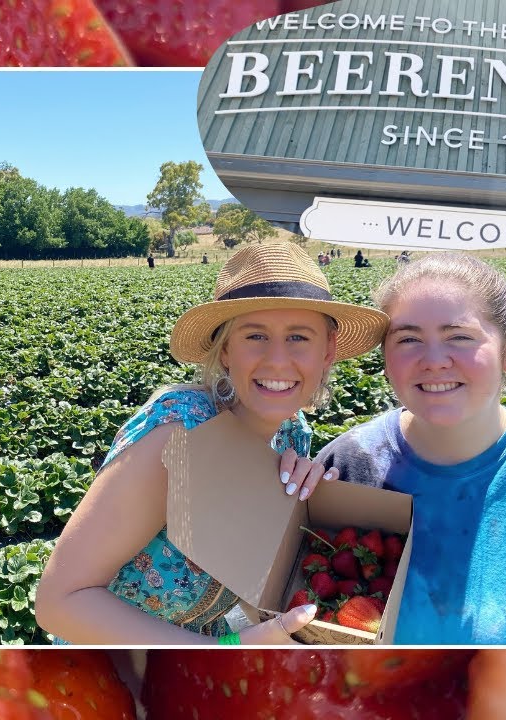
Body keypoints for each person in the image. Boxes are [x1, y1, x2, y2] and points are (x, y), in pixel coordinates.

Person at [35, 242, 388, 645]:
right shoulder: (178, 437)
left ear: (327, 352)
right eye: (255, 335)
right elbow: (60, 604)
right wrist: (222, 652)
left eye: (299, 337)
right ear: (224, 352)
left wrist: (302, 514)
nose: (277, 360)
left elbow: (245, 591)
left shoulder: (293, 434)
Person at [306, 253, 506, 645]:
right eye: (408, 339)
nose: (433, 361)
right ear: (385, 359)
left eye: (459, 336)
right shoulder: (344, 467)